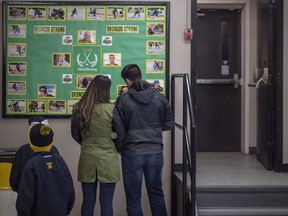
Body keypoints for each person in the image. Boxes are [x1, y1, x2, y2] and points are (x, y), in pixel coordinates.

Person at [112, 64, 174, 216]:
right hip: (155, 152)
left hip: (132, 153)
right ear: (140, 75)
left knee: (133, 200)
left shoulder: (123, 100)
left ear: (128, 81)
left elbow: (118, 129)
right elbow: (168, 124)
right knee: (157, 196)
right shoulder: (160, 97)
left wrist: (120, 148)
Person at [71, 75, 120, 216]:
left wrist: (87, 143)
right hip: (108, 157)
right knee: (106, 202)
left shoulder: (79, 107)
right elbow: (120, 134)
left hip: (87, 156)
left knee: (88, 201)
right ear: (106, 90)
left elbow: (74, 134)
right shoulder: (113, 109)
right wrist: (111, 144)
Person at [15, 121, 75, 216]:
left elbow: (25, 196)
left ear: (31, 142)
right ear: (52, 141)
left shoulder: (32, 164)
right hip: (60, 211)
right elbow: (69, 189)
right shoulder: (60, 161)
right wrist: (66, 209)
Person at [10, 116, 59, 192]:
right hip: (50, 196)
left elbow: (14, 179)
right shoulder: (54, 151)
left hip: (26, 195)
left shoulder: (22, 151)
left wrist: (20, 191)